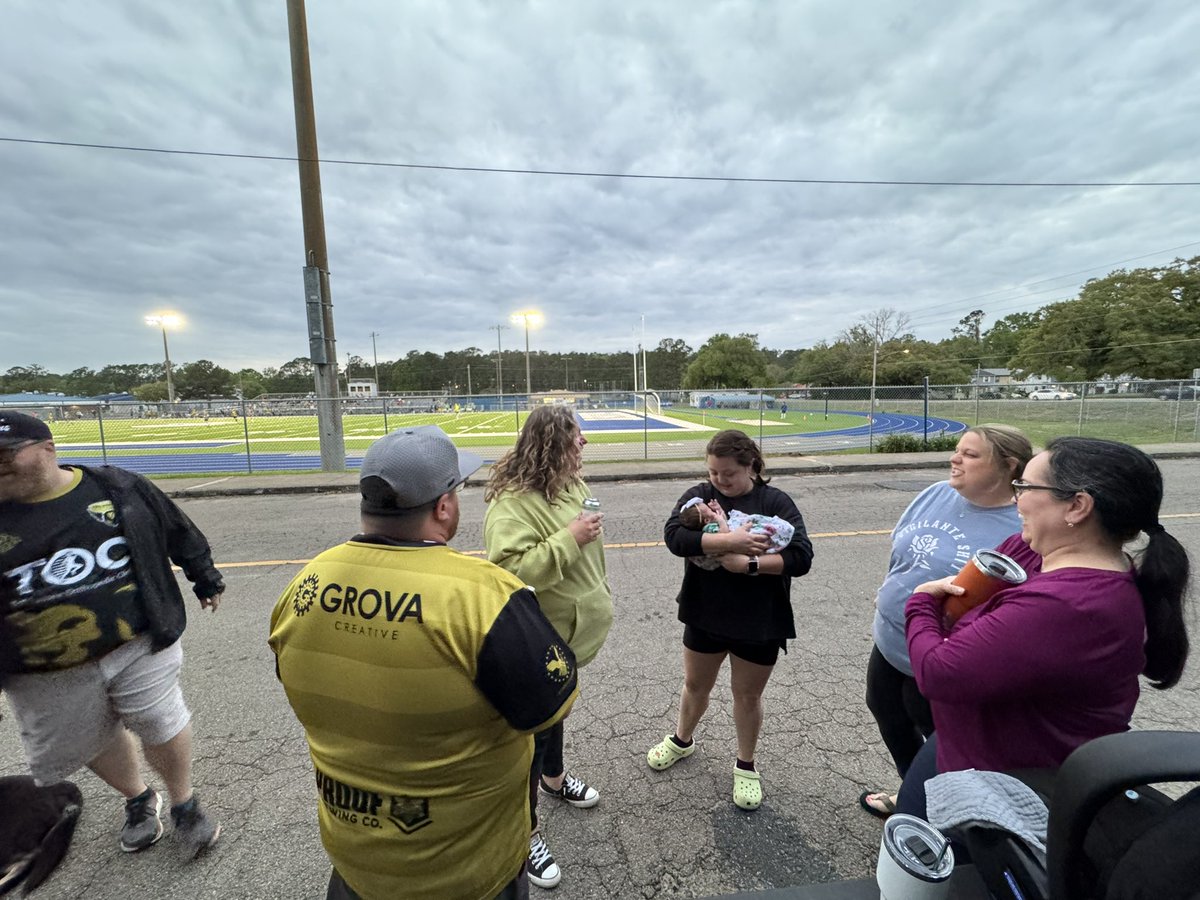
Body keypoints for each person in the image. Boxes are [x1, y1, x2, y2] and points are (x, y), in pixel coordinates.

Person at [270, 425, 578, 900]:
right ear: (443, 506)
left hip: (356, 865)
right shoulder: (484, 595)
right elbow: (549, 707)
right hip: (469, 871)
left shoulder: (306, 584)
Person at [896, 437, 1192, 820]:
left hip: (1003, 784)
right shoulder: (1041, 553)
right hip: (971, 743)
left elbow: (939, 672)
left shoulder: (1069, 605)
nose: (1016, 500)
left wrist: (920, 602)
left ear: (1077, 506)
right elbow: (997, 564)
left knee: (941, 869)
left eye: (1025, 487)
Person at [0, 410, 223, 857]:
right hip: (39, 666)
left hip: (137, 639)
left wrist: (204, 575)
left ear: (47, 449)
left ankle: (184, 802)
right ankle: (139, 799)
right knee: (88, 738)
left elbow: (174, 527)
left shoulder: (116, 487)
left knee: (160, 719)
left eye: (6, 454)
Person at [859, 425, 1032, 820]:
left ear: (1009, 466)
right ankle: (913, 793)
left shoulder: (1019, 526)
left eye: (970, 455)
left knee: (943, 738)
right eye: (957, 450)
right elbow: (901, 550)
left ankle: (943, 814)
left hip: (948, 656)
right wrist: (889, 590)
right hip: (892, 639)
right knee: (887, 711)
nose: (955, 459)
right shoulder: (936, 494)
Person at [649, 429, 813, 811]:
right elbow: (674, 537)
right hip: (705, 612)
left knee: (747, 695)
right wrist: (728, 543)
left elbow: (802, 557)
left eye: (728, 474)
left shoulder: (775, 501)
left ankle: (745, 765)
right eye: (713, 473)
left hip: (759, 620)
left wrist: (750, 564)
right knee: (695, 685)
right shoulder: (699, 496)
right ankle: (682, 739)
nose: (720, 481)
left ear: (751, 466)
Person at [483, 405, 613, 891]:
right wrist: (569, 538)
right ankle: (525, 832)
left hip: (572, 636)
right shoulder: (513, 502)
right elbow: (508, 568)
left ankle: (555, 782)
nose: (585, 444)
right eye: (577, 437)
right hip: (541, 639)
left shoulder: (571, 483)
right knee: (532, 735)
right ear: (553, 442)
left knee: (556, 715)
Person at [677, 497, 795, 571]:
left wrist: (719, 510)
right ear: (706, 520)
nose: (712, 511)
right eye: (709, 511)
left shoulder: (776, 498)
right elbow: (724, 533)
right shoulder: (709, 528)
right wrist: (721, 521)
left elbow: (724, 519)